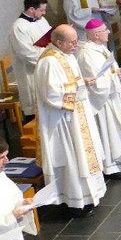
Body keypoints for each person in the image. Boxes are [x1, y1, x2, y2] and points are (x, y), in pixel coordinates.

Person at [35, 25, 107, 217]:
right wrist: (81, 85)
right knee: (72, 159)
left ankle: (88, 196)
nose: (76, 45)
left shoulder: (67, 54)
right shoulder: (48, 61)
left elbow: (72, 82)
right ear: (59, 42)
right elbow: (51, 94)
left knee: (82, 156)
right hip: (62, 121)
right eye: (72, 42)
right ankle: (74, 201)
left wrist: (83, 83)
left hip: (76, 113)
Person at [76, 20, 121, 179]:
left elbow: (108, 69)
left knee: (120, 128)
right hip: (103, 101)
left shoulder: (100, 48)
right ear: (96, 35)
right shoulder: (86, 54)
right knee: (109, 131)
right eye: (104, 30)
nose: (108, 32)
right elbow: (95, 82)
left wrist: (118, 71)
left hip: (113, 95)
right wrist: (114, 76)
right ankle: (112, 166)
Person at [8, 0, 51, 120]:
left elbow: (50, 37)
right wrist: (49, 54)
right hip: (30, 73)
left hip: (46, 68)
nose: (44, 13)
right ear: (31, 9)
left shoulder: (42, 20)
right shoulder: (18, 27)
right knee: (35, 111)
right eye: (41, 10)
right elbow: (26, 54)